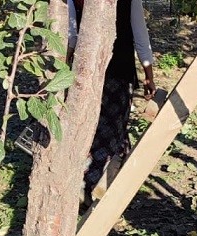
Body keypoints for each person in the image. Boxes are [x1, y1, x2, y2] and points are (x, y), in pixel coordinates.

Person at [67, 0, 156, 197]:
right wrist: (149, 76)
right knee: (114, 132)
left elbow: (71, 37)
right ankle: (105, 186)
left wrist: (64, 68)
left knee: (87, 129)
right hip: (120, 75)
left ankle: (84, 185)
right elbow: (141, 38)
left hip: (87, 74)